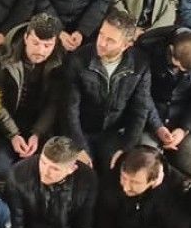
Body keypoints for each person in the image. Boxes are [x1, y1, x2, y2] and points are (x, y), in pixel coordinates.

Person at [62, 9, 152, 165]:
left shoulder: (140, 65)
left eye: (110, 40)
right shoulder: (78, 60)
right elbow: (69, 110)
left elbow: (140, 111)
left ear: (126, 45)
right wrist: (79, 147)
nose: (102, 43)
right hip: (82, 130)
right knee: (82, 168)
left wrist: (126, 148)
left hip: (114, 132)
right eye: (101, 35)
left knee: (119, 167)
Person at [0, 14, 64, 178]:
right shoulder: (2, 55)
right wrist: (13, 134)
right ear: (26, 37)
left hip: (39, 125)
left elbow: (54, 103)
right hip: (5, 124)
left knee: (44, 168)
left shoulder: (59, 60)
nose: (40, 51)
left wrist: (38, 133)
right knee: (1, 169)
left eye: (47, 45)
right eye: (35, 43)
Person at [138, 25, 191, 177]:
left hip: (184, 116)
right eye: (177, 66)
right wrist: (157, 126)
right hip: (151, 115)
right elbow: (142, 94)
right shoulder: (148, 45)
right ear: (171, 50)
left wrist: (184, 128)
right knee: (145, 162)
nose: (180, 71)